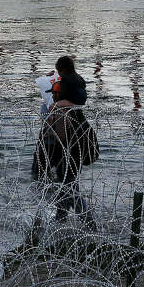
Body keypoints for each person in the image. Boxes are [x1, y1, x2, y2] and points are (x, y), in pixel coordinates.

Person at [33, 71, 95, 230]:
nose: (52, 96)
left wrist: (50, 128)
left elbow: (60, 135)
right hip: (74, 155)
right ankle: (60, 219)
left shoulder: (59, 109)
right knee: (67, 188)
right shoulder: (73, 107)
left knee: (71, 191)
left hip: (65, 156)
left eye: (54, 93)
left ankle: (90, 225)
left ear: (60, 93)